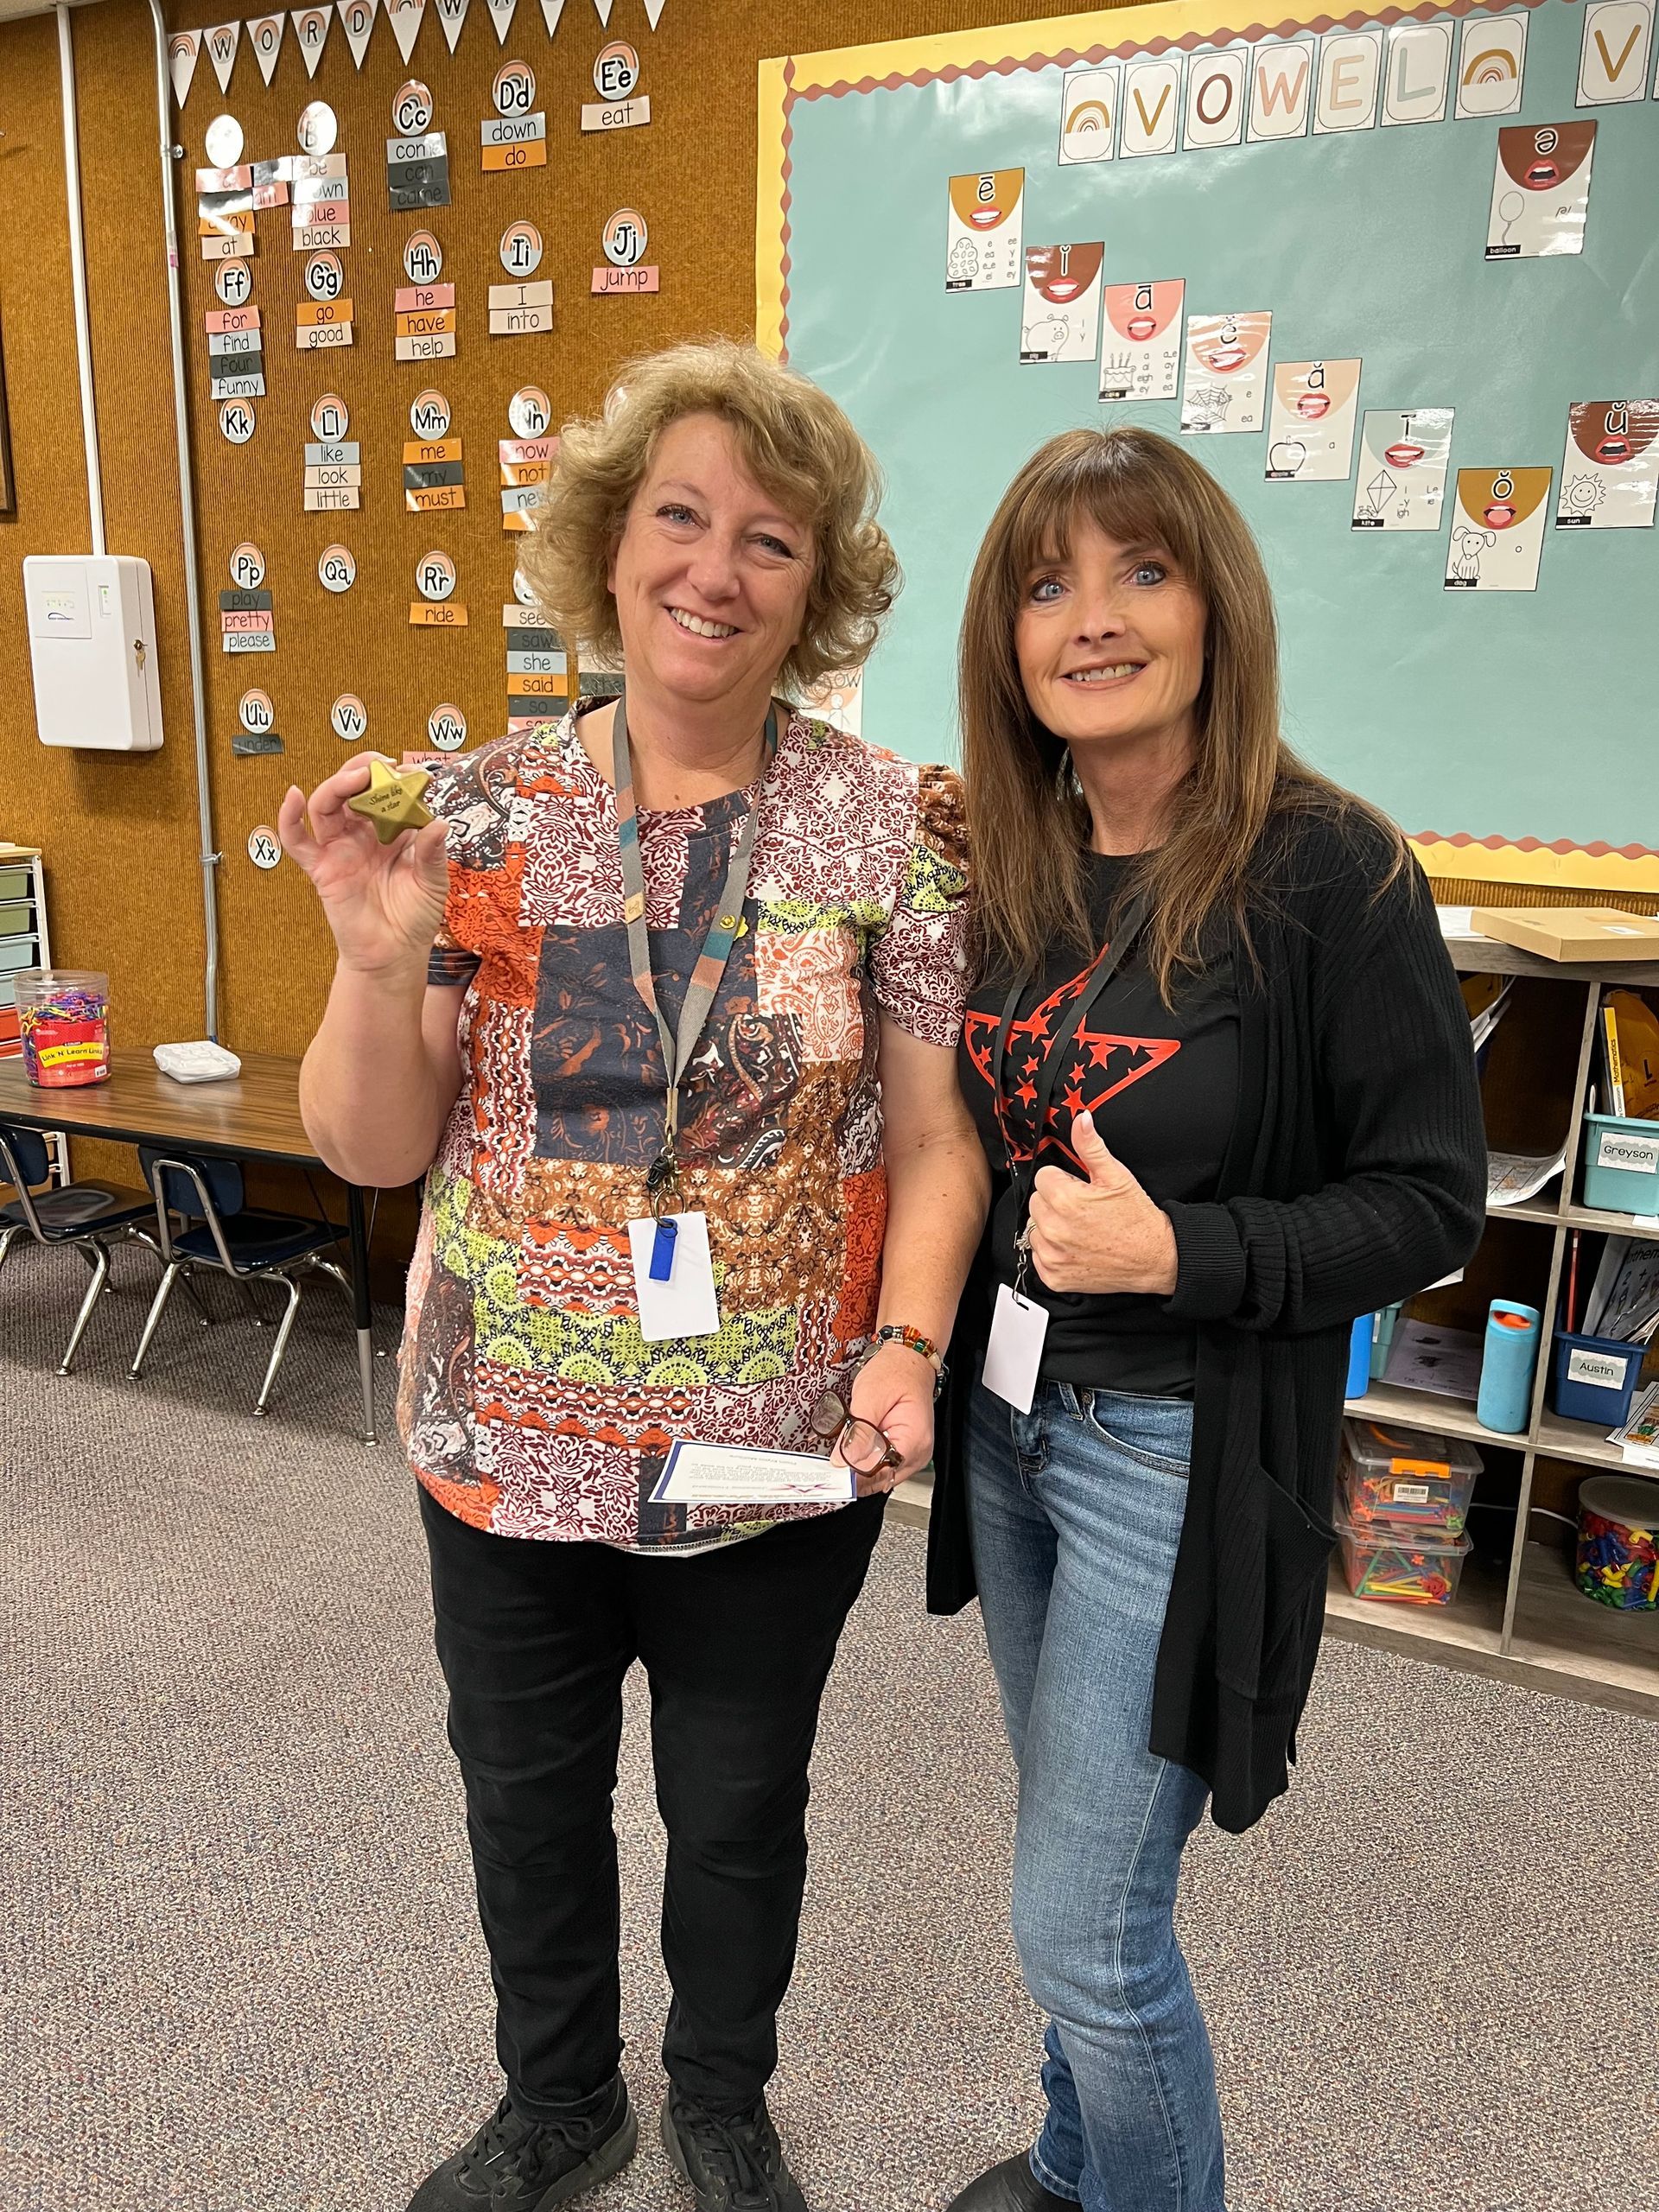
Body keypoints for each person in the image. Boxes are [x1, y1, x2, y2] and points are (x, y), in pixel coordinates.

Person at [278, 339, 987, 2212]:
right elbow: (368, 1144)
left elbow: (933, 1139)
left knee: (738, 1808)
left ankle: (722, 2094)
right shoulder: (482, 812)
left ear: (814, 585)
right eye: (679, 514)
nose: (715, 567)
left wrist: (908, 1340)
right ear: (607, 544)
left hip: (768, 1443)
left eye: (770, 537)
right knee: (526, 1794)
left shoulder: (883, 824)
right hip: (503, 1428)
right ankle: (561, 2095)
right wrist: (373, 955)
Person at [930, 425, 1485, 2212]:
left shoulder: (1334, 872)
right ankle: (1081, 2163)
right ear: (1005, 640)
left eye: (1139, 570)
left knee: (1085, 1923)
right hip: (1010, 1434)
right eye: (1046, 581)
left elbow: (1430, 1204)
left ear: (1215, 603)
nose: (1090, 617)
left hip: (1170, 1448)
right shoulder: (1011, 860)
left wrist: (1184, 1255)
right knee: (1069, 1859)